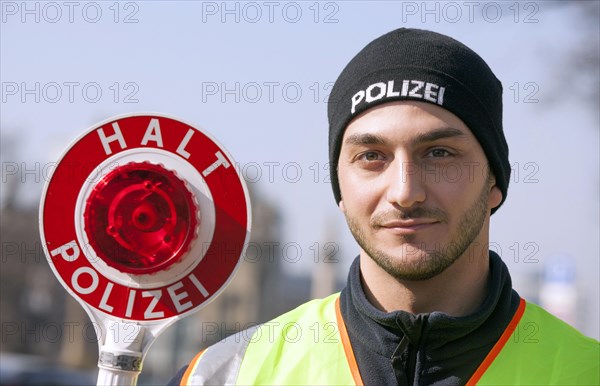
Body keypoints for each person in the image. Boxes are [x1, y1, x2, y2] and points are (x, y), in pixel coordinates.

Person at [169, 28, 599, 385]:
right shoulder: (226, 374)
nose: (404, 191)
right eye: (371, 156)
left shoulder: (584, 372)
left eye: (440, 154)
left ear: (495, 183)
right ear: (340, 186)